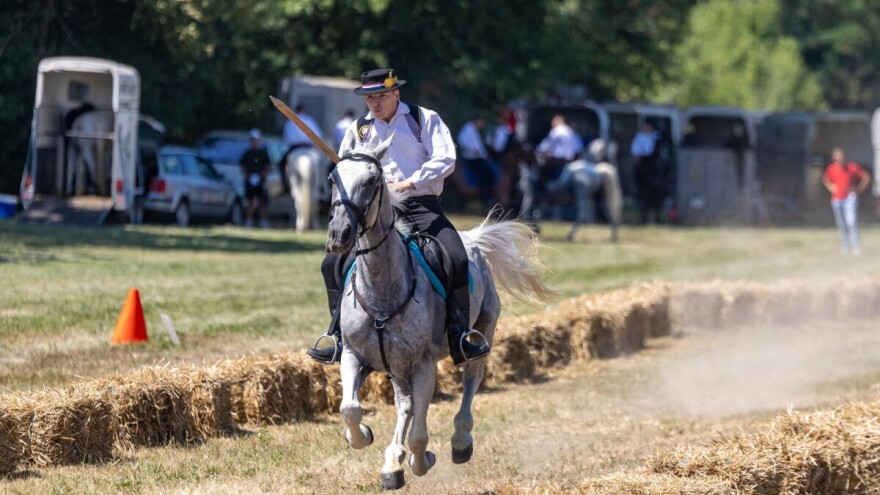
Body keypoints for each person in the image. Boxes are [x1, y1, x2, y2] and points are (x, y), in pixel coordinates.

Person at [307, 67, 490, 366]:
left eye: (381, 96)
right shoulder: (358, 130)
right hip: (374, 213)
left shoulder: (423, 119)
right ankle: (338, 336)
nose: (375, 103)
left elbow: (446, 159)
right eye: (369, 98)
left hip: (420, 206)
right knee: (331, 263)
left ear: (396, 93)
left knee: (456, 257)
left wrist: (409, 183)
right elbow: (346, 171)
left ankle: (459, 334)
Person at [822, 147, 871, 255]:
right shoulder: (831, 168)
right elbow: (825, 179)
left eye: (841, 156)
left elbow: (866, 177)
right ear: (834, 158)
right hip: (836, 199)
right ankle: (845, 247)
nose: (840, 158)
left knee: (851, 223)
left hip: (849, 198)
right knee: (841, 224)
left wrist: (858, 189)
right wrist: (831, 187)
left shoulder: (851, 167)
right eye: (837, 156)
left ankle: (856, 247)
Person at [456, 115, 498, 208]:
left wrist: (485, 156)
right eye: (481, 122)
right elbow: (461, 140)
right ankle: (483, 194)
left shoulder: (474, 130)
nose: (482, 125)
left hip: (478, 157)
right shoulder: (467, 128)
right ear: (477, 121)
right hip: (471, 158)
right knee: (485, 173)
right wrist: (472, 149)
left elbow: (479, 146)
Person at [630, 121, 664, 224]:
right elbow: (635, 152)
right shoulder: (639, 137)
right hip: (644, 166)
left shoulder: (658, 137)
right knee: (644, 194)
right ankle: (644, 217)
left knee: (657, 194)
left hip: (655, 168)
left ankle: (657, 217)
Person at [239, 128, 272, 229]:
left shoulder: (263, 153)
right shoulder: (247, 153)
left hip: (261, 180)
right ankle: (249, 221)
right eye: (252, 140)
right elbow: (242, 167)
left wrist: (260, 176)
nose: (254, 142)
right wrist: (249, 177)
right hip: (250, 180)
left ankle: (263, 221)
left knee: (262, 202)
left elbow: (268, 166)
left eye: (256, 140)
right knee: (250, 201)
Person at [535, 114, 582, 183]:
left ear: (555, 122)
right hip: (571, 160)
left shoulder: (556, 131)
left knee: (541, 169)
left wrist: (539, 150)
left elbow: (544, 146)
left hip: (558, 160)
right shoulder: (572, 133)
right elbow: (579, 148)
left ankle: (542, 186)